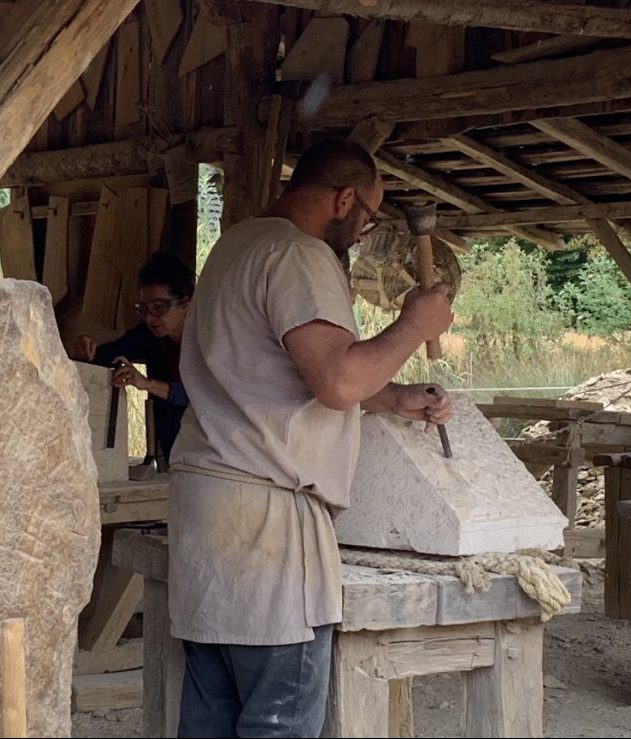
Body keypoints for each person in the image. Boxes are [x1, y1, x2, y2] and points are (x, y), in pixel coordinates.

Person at [168, 139, 454, 737]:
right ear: (344, 197)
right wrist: (414, 324)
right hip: (266, 521)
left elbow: (294, 372)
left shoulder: (236, 245)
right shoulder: (298, 256)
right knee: (278, 721)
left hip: (209, 507)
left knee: (210, 720)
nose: (361, 231)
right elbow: (336, 379)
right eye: (368, 217)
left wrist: (393, 396)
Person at [68, 251, 193, 468]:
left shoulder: (212, 340)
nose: (150, 318)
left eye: (159, 307)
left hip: (212, 450)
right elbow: (104, 354)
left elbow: (202, 397)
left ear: (186, 302)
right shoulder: (150, 336)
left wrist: (147, 384)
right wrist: (85, 347)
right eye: (143, 309)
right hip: (173, 449)